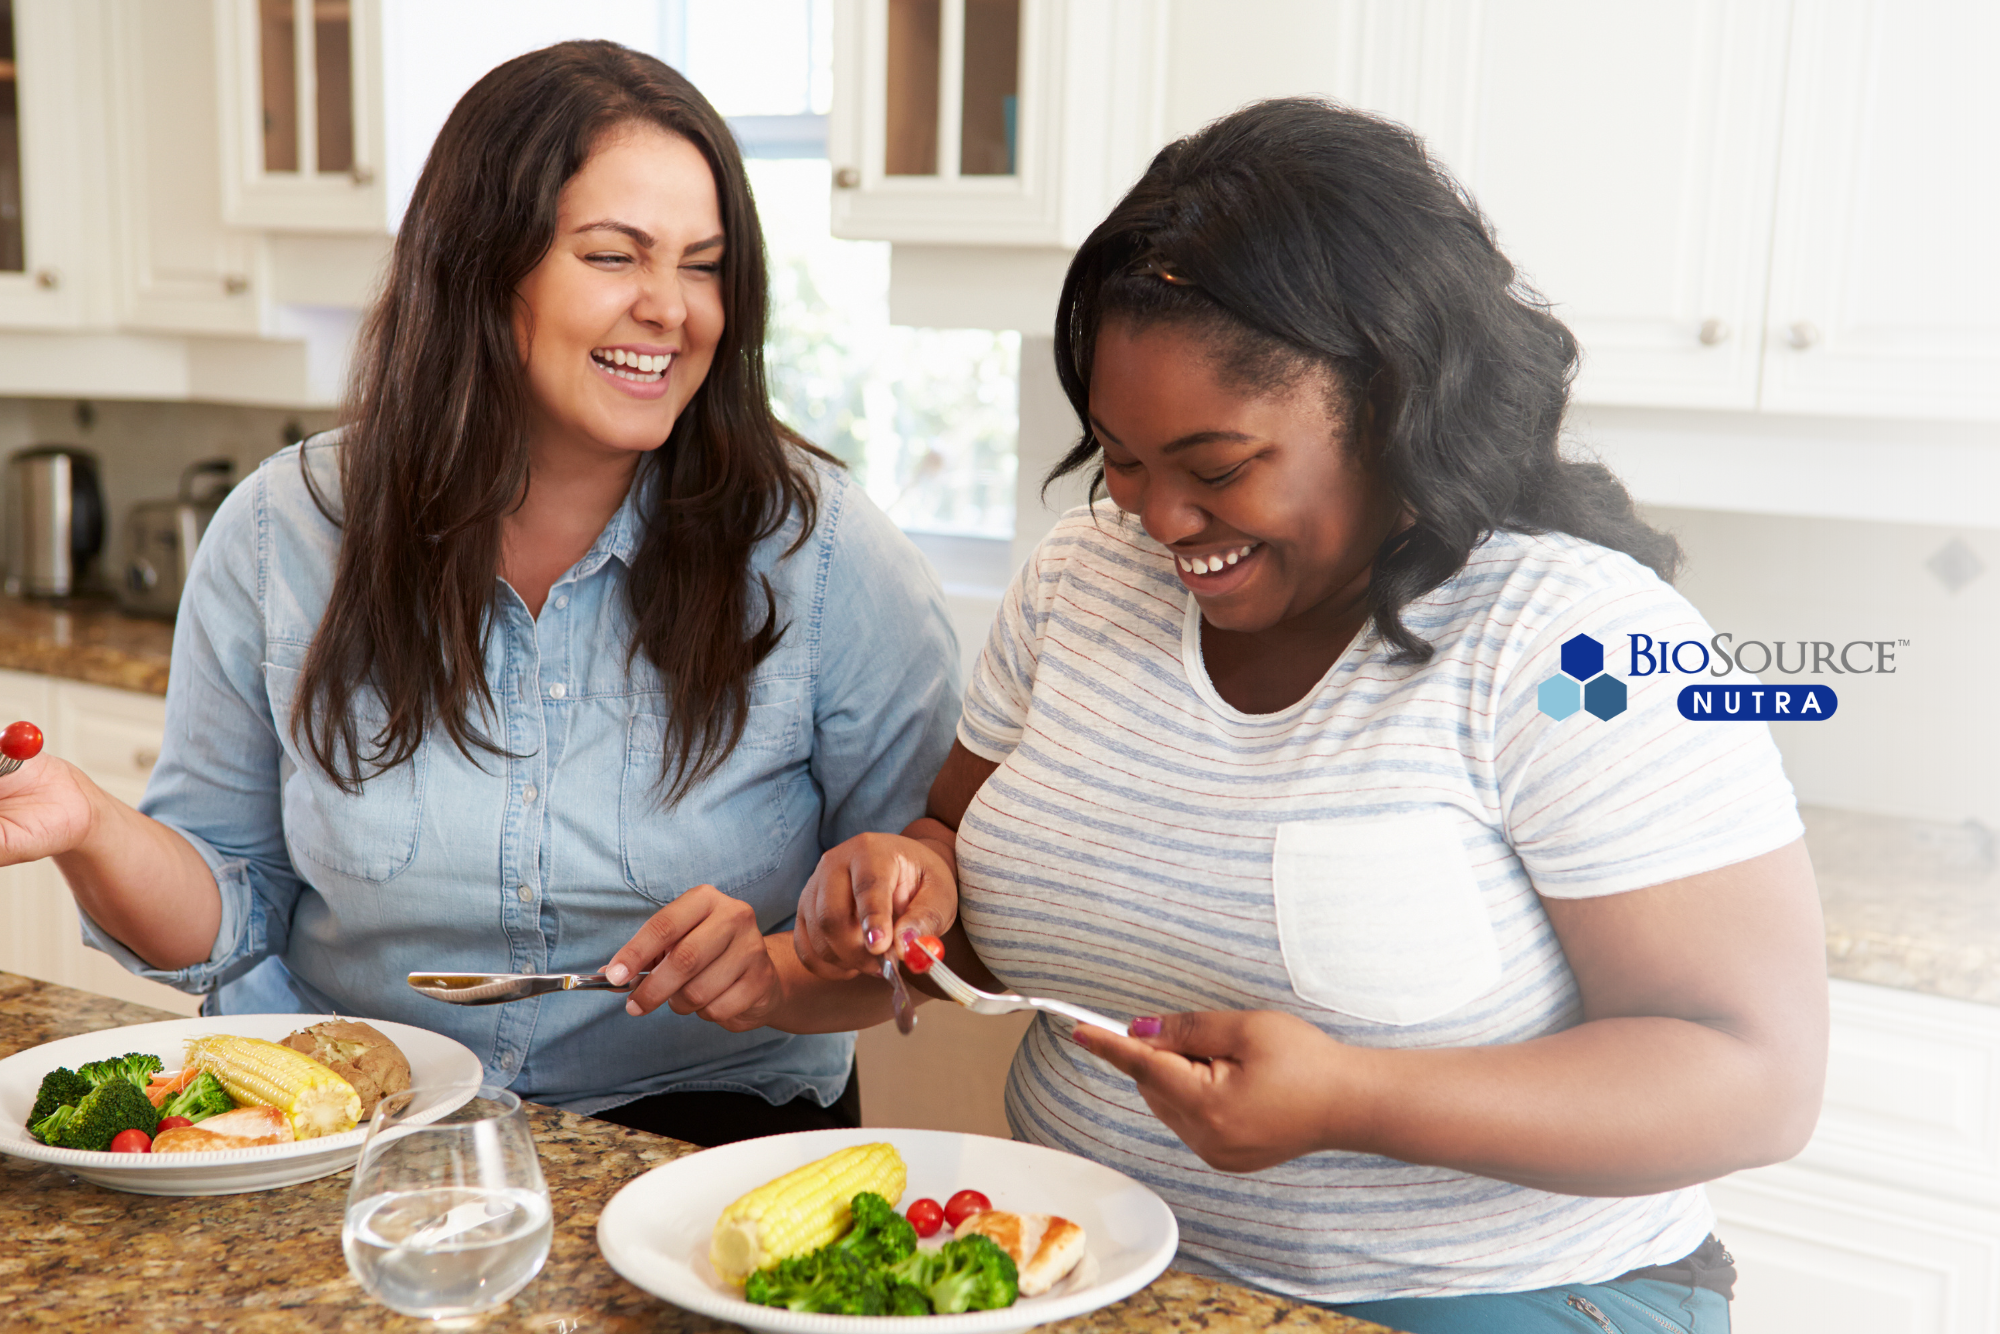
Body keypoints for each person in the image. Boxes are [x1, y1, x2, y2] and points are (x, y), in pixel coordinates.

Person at [739, 99, 1827, 1330]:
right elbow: (974, 896)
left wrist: (1353, 1096)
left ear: (1392, 403)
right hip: (1076, 1267)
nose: (1155, 519)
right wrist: (904, 886)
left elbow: (1752, 1074)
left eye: (1214, 467)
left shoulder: (1572, 638)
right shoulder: (1080, 582)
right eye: (1122, 459)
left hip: (1492, 1297)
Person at [0, 41, 960, 1147]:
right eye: (614, 256)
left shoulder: (823, 554)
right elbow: (228, 909)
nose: (673, 308)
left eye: (703, 265)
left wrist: (778, 969)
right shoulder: (282, 531)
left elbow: (917, 943)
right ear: (478, 266)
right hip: (345, 1123)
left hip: (698, 1138)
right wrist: (84, 823)